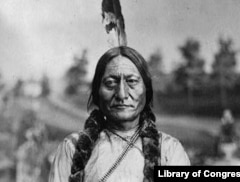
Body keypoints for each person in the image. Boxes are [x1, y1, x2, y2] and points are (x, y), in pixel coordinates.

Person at [49, 46, 190, 182]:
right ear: (97, 91)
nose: (122, 94)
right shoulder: (72, 148)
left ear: (146, 90)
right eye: (110, 83)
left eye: (132, 81)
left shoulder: (169, 150)